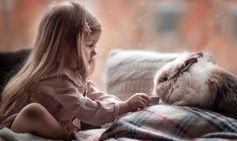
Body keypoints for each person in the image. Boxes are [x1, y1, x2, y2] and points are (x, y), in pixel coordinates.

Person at [0, 2, 149, 140]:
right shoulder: (53, 77)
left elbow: (98, 97)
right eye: (89, 45)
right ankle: (69, 138)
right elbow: (85, 108)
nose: (94, 52)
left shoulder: (75, 75)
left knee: (97, 114)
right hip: (20, 130)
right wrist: (125, 106)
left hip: (49, 132)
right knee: (33, 112)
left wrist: (123, 107)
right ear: (65, 46)